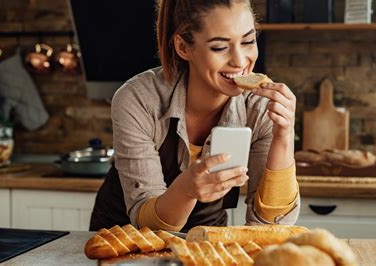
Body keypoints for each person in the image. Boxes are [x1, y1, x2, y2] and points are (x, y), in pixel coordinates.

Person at [90, 0, 300, 232]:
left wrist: (284, 136)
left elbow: (272, 226)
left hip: (206, 236)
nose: (240, 61)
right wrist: (186, 190)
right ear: (183, 47)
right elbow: (145, 221)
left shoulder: (261, 108)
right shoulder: (139, 99)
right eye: (220, 47)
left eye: (248, 41)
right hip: (123, 237)